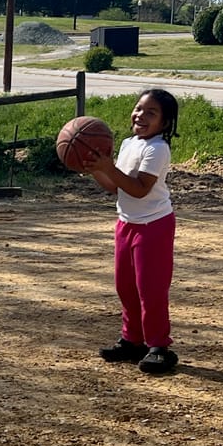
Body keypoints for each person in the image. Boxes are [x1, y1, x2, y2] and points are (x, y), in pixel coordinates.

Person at [79, 88, 179, 374]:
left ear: (165, 123)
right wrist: (93, 168)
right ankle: (132, 340)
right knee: (125, 287)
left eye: (151, 113)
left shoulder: (157, 148)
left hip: (154, 225)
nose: (141, 115)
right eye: (139, 109)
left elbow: (138, 188)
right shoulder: (127, 143)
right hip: (126, 224)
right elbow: (115, 186)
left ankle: (159, 346)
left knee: (151, 289)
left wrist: (108, 166)